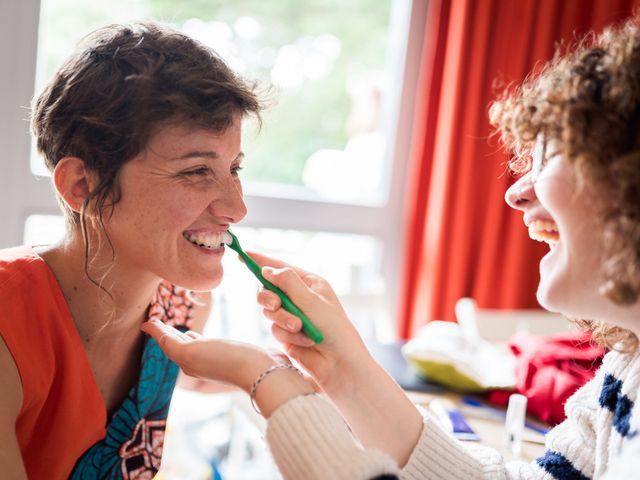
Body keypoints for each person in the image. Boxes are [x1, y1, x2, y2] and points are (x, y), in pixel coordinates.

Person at [142, 16, 640, 480]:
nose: (516, 191)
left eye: (550, 156)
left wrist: (268, 381)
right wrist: (344, 368)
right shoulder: (627, 370)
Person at [0, 22, 261, 479]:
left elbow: (195, 374)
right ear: (82, 186)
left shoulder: (185, 306)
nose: (237, 208)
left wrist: (283, 370)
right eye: (197, 170)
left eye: (234, 167)